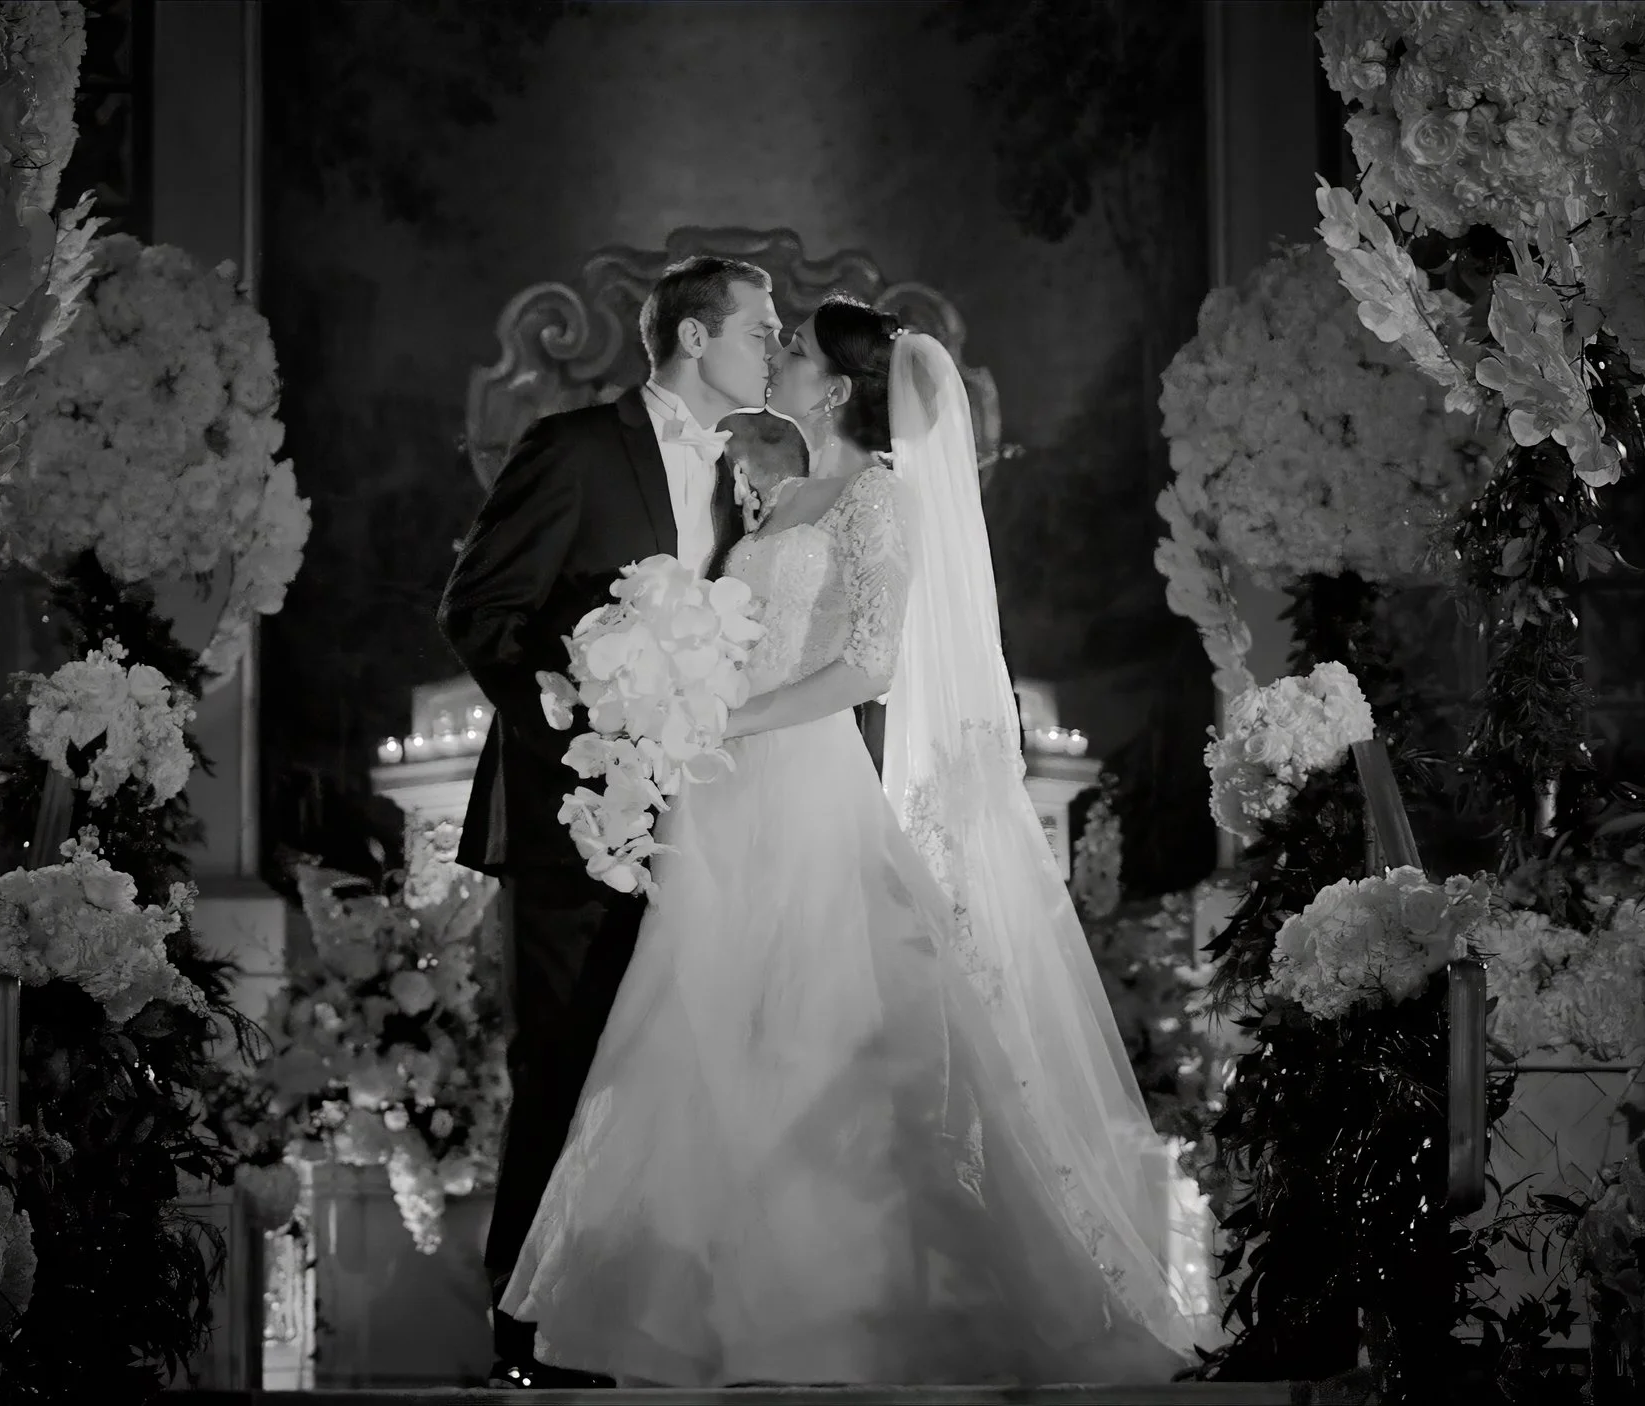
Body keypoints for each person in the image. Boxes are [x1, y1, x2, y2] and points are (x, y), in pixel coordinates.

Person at [495, 296, 1200, 1387]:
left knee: (809, 1026)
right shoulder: (775, 499)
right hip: (720, 796)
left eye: (796, 350)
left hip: (802, 784)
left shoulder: (878, 500)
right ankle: (717, 1308)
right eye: (771, 339)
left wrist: (721, 717)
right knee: (705, 1032)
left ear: (832, 386)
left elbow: (867, 667)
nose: (776, 356)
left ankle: (835, 1311)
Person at [437, 255, 777, 1390]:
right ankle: (526, 1332)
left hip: (705, 827)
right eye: (757, 330)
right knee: (564, 1063)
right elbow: (481, 608)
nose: (771, 350)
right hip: (574, 811)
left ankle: (648, 1314)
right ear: (691, 337)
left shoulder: (747, 476)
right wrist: (589, 721)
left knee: (672, 1069)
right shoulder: (576, 448)